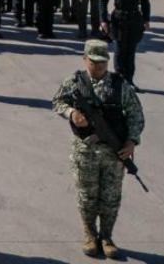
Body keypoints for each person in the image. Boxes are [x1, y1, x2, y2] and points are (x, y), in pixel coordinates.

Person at [52, 38, 145, 259]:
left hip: (114, 153)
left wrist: (132, 141)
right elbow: (57, 101)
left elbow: (135, 114)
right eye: (94, 62)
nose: (99, 66)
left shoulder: (120, 85)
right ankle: (90, 235)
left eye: (103, 62)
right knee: (87, 196)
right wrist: (72, 114)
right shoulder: (75, 82)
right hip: (85, 152)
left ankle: (107, 237)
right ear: (85, 59)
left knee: (111, 197)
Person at [99, 0, 151, 87]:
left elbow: (145, 2)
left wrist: (146, 19)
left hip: (135, 19)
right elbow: (102, 1)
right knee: (120, 50)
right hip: (119, 19)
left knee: (131, 50)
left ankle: (129, 80)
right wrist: (103, 20)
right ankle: (119, 80)